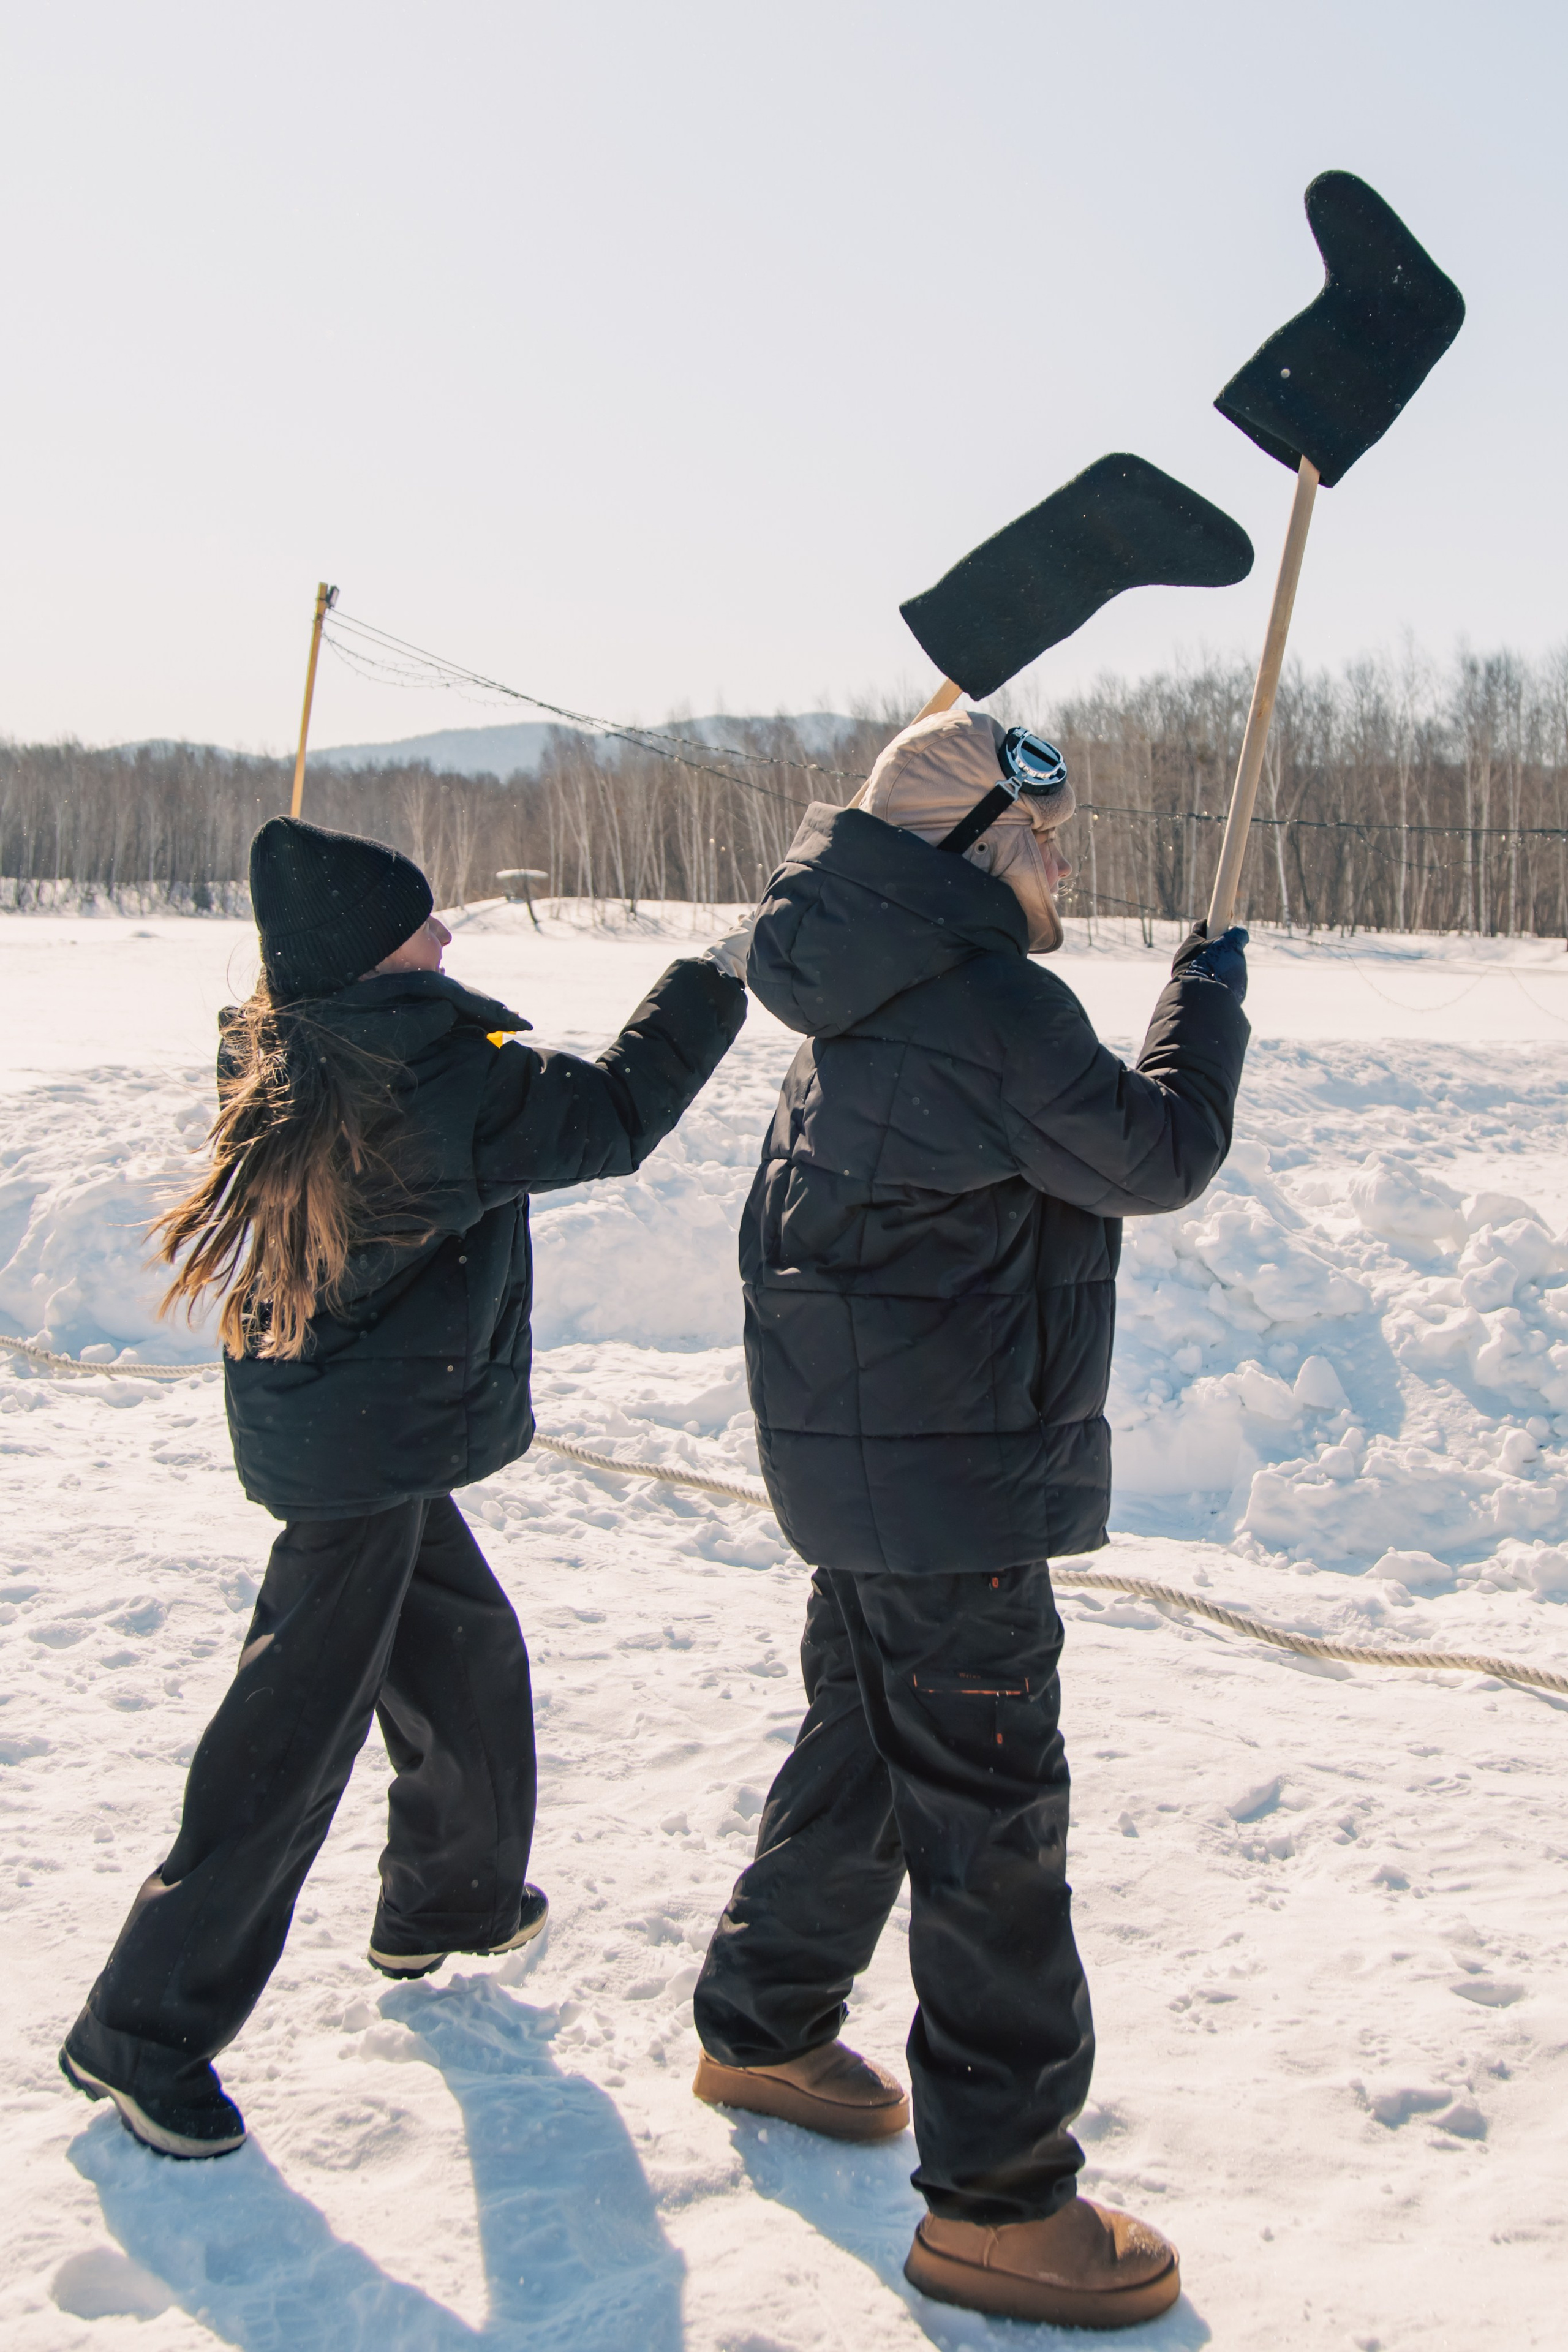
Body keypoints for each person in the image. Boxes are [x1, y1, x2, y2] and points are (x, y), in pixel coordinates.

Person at [61, 815, 749, 2160]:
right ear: (369, 957)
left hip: (354, 1429)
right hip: (361, 1450)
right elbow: (613, 1115)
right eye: (418, 922)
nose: (444, 935)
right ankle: (139, 2033)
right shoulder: (423, 1082)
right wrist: (714, 976)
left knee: (466, 1654)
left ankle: (450, 1901)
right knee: (288, 1742)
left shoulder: (295, 1046)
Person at [690, 706, 1248, 2330]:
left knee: (869, 1745)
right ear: (973, 847)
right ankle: (1000, 2206)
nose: (1059, 863)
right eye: (1039, 836)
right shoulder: (988, 1003)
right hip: (943, 1479)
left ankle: (762, 2023)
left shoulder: (857, 990)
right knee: (991, 1827)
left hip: (862, 1465)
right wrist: (1207, 994)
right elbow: (1155, 1155)